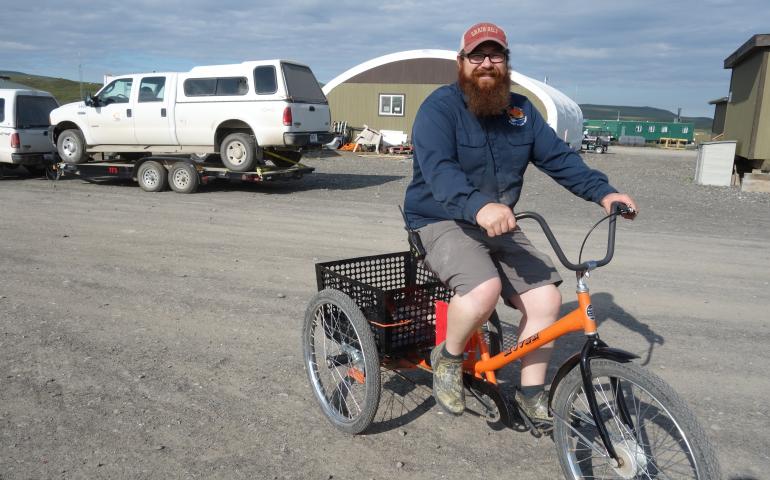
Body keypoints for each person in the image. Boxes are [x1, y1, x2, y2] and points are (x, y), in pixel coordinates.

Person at [403, 22, 638, 421]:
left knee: (546, 299)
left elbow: (560, 159)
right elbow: (439, 170)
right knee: (483, 290)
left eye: (495, 56)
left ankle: (531, 394)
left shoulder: (521, 112)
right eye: (477, 55)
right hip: (440, 218)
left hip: (498, 221)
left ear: (506, 63)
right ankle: (448, 357)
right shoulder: (439, 109)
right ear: (462, 62)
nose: (486, 63)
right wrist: (478, 206)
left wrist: (604, 192)